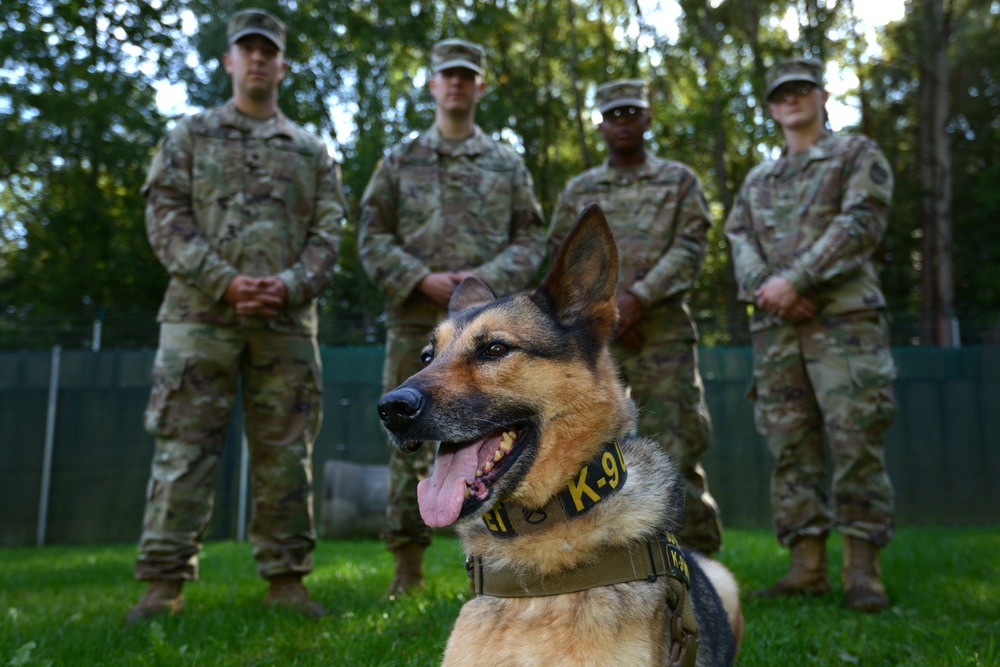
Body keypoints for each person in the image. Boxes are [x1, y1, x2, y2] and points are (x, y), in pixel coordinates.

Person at [127, 8, 348, 622]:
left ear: (281, 64)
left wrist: (287, 285)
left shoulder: (310, 151)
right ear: (229, 60)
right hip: (200, 318)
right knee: (183, 447)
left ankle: (286, 581)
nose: (257, 58)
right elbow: (165, 217)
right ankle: (162, 585)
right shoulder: (189, 137)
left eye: (268, 49)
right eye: (246, 48)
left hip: (285, 323)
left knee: (285, 455)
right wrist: (223, 282)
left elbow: (329, 232)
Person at [358, 38, 546, 597]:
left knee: (495, 439)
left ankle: (506, 561)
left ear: (480, 87)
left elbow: (531, 236)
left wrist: (477, 284)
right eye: (448, 75)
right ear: (433, 84)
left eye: (467, 75)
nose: (457, 83)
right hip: (416, 323)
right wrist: (421, 277)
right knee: (407, 438)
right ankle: (406, 567)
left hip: (487, 332)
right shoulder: (399, 161)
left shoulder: (506, 165)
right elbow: (371, 234)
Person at [724, 57, 897, 612]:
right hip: (777, 331)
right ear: (773, 107)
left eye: (802, 89)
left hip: (845, 324)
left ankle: (862, 571)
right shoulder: (759, 179)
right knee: (790, 445)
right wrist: (767, 289)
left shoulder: (855, 154)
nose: (791, 99)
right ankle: (806, 566)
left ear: (822, 95)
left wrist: (795, 279)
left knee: (855, 439)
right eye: (781, 94)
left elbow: (860, 223)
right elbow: (738, 237)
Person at [547, 79, 724, 555]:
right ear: (600, 125)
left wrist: (640, 298)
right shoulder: (579, 190)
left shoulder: (680, 180)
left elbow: (690, 248)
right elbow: (558, 260)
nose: (623, 122)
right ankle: (609, 556)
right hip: (593, 340)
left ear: (647, 120)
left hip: (661, 334)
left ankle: (698, 561)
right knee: (587, 448)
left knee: (677, 445)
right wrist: (610, 314)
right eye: (614, 115)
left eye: (632, 113)